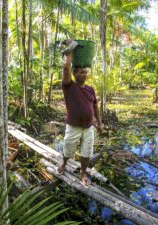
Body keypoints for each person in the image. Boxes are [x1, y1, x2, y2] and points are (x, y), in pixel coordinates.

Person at [57, 40, 102, 186]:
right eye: (81, 72)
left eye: (86, 72)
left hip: (88, 127)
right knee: (68, 148)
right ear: (75, 73)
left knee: (87, 152)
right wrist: (70, 50)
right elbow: (65, 68)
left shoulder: (90, 89)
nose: (84, 75)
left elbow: (95, 107)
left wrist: (99, 123)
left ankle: (82, 173)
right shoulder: (69, 86)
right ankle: (64, 164)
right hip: (73, 125)